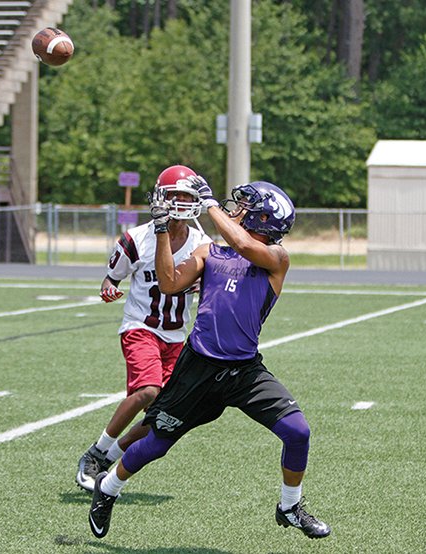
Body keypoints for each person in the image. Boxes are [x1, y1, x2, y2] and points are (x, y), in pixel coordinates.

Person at [88, 177, 331, 540]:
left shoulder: (276, 259)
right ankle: (106, 489)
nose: (236, 210)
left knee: (298, 432)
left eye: (245, 206)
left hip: (244, 370)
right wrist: (159, 231)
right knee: (156, 443)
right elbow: (169, 283)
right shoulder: (210, 253)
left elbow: (243, 243)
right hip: (198, 367)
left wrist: (210, 205)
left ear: (263, 218)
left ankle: (289, 507)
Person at [75, 165, 210, 492]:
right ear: (160, 198)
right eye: (173, 195)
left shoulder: (201, 242)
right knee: (148, 391)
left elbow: (211, 285)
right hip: (141, 328)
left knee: (163, 419)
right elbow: (112, 276)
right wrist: (107, 286)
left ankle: (110, 457)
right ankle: (95, 453)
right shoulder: (136, 239)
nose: (179, 201)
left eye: (185, 196)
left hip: (177, 338)